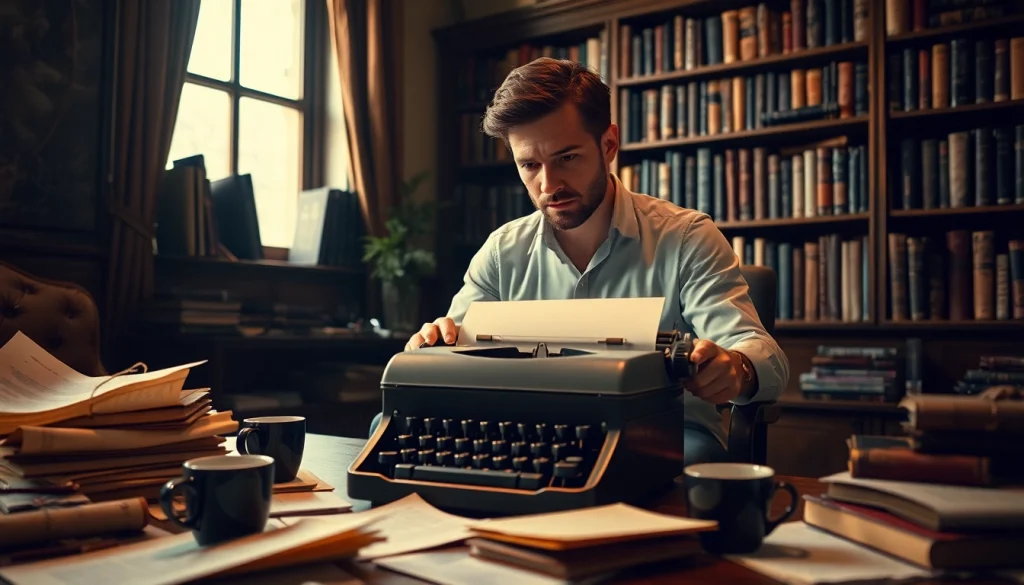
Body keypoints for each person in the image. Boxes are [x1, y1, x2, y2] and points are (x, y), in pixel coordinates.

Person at [374, 57, 789, 466]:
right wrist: (430, 348)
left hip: (662, 432)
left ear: (608, 144)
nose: (548, 185)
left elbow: (757, 350)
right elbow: (447, 360)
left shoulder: (686, 238)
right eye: (530, 165)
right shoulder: (501, 252)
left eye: (566, 158)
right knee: (387, 429)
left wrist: (737, 368)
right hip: (529, 431)